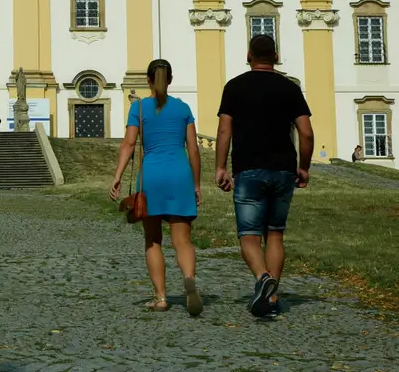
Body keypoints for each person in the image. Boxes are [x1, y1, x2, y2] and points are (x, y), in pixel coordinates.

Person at [215, 34, 314, 318]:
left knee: (248, 235)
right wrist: (304, 166)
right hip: (283, 168)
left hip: (248, 168)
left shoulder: (234, 87)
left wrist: (220, 166)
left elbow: (224, 130)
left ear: (249, 56)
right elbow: (306, 132)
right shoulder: (290, 88)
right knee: (275, 234)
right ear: (276, 55)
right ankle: (272, 299)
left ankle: (262, 278)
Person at [110, 59, 203, 316]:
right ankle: (188, 279)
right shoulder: (183, 108)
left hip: (151, 176)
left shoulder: (138, 108)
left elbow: (128, 144)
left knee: (152, 239)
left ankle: (161, 298)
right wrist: (196, 183)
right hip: (179, 174)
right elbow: (193, 149)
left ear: (149, 80)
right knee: (182, 240)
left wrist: (117, 176)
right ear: (170, 79)